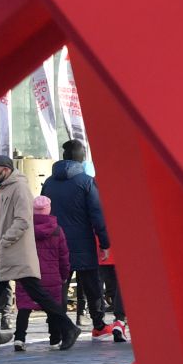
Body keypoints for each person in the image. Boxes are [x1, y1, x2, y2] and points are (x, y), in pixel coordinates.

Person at [0, 156, 76, 355]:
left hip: (15, 252)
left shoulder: (19, 188)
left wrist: (3, 241)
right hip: (1, 253)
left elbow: (23, 220)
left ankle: (67, 327)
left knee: (37, 293)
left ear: (5, 170)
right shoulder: (2, 189)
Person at [42, 140, 116, 339]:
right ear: (81, 157)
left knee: (59, 286)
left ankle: (57, 329)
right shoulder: (86, 181)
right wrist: (105, 242)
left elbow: (43, 213)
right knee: (92, 285)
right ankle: (98, 325)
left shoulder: (49, 182)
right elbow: (97, 215)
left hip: (55, 241)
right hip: (82, 241)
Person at [15, 197, 72, 351]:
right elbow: (63, 256)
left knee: (24, 307)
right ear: (49, 210)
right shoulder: (57, 230)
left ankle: (19, 338)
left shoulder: (24, 229)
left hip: (28, 273)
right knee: (52, 307)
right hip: (52, 275)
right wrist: (64, 274)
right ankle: (54, 339)